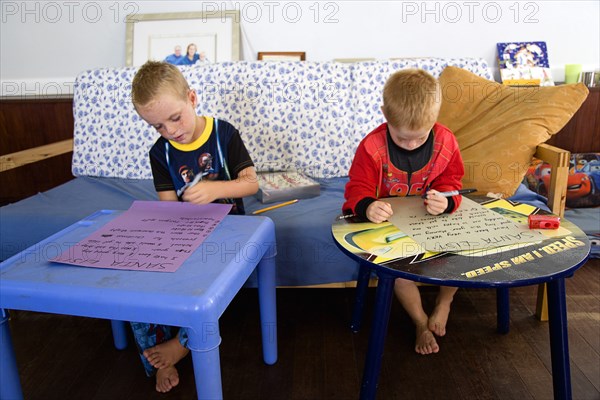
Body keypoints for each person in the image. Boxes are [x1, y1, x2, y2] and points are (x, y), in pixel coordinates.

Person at [130, 60, 258, 392]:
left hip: (231, 231)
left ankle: (180, 345)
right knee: (139, 278)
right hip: (186, 233)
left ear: (192, 97)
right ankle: (156, 356)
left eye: (175, 118)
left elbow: (250, 184)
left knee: (204, 282)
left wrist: (217, 189)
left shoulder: (223, 133)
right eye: (157, 126)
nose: (170, 131)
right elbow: (169, 209)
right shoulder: (160, 153)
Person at [343, 68, 465, 356]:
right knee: (398, 272)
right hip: (391, 224)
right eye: (401, 138)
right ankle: (420, 322)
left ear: (435, 118)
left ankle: (444, 303)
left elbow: (453, 182)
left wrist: (446, 201)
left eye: (419, 138)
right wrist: (367, 205)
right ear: (385, 113)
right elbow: (356, 189)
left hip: (432, 219)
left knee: (459, 257)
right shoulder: (371, 146)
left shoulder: (446, 141)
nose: (411, 144)